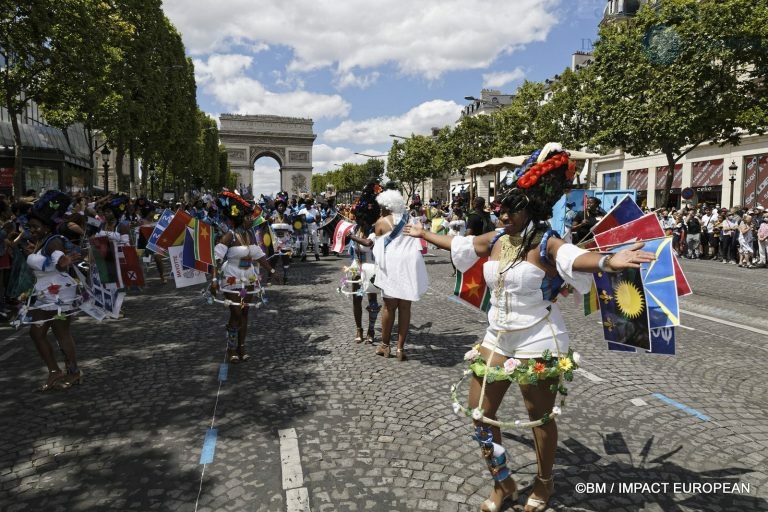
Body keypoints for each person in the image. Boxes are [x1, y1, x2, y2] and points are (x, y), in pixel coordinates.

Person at [405, 144, 655, 512]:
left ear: (530, 208)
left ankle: (544, 482)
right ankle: (503, 482)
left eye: (510, 208)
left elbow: (575, 258)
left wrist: (607, 261)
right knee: (480, 414)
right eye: (500, 207)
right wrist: (425, 235)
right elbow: (460, 244)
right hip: (498, 335)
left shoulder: (547, 242)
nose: (501, 212)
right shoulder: (495, 239)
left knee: (539, 418)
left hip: (539, 337)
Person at [22, 191, 84, 391]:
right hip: (47, 293)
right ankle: (63, 371)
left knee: (45, 332)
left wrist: (63, 260)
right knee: (51, 333)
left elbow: (59, 258)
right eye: (30, 227)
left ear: (47, 227)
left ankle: (65, 371)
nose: (32, 230)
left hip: (55, 294)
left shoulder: (53, 241)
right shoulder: (41, 242)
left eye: (36, 227)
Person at [210, 191, 280, 363]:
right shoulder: (229, 236)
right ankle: (232, 348)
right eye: (249, 217)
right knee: (236, 313)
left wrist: (271, 271)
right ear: (240, 218)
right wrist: (213, 280)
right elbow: (216, 258)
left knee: (244, 312)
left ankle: (242, 347)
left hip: (248, 277)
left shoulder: (250, 236)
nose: (252, 219)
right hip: (232, 278)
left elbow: (259, 256)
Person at [371, 187, 428, 361]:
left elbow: (376, 244)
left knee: (389, 306)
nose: (380, 209)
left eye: (382, 206)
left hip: (392, 264)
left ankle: (385, 345)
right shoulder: (411, 220)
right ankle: (400, 349)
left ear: (388, 206)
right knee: (405, 307)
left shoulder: (381, 222)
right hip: (410, 263)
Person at [344, 181, 382, 344]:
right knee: (357, 298)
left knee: (372, 299)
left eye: (362, 217)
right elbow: (345, 244)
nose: (360, 220)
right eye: (358, 217)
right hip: (356, 267)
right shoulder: (353, 228)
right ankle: (359, 328)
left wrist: (351, 237)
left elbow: (368, 243)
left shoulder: (375, 230)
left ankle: (371, 330)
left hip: (371, 268)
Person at [269, 194, 294, 283]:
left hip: (285, 243)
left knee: (285, 260)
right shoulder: (272, 218)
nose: (281, 207)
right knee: (273, 261)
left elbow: (291, 230)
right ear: (276, 207)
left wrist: (288, 233)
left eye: (282, 206)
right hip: (275, 242)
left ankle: (285, 277)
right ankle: (270, 277)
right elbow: (267, 230)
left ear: (284, 208)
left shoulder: (287, 218)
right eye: (279, 206)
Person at [297, 197, 321, 261]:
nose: (307, 204)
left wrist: (315, 219)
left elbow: (318, 220)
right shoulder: (302, 211)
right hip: (304, 226)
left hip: (313, 226)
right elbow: (298, 219)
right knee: (304, 242)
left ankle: (317, 255)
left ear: (311, 204)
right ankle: (304, 255)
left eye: (308, 203)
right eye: (306, 203)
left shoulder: (315, 211)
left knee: (315, 242)